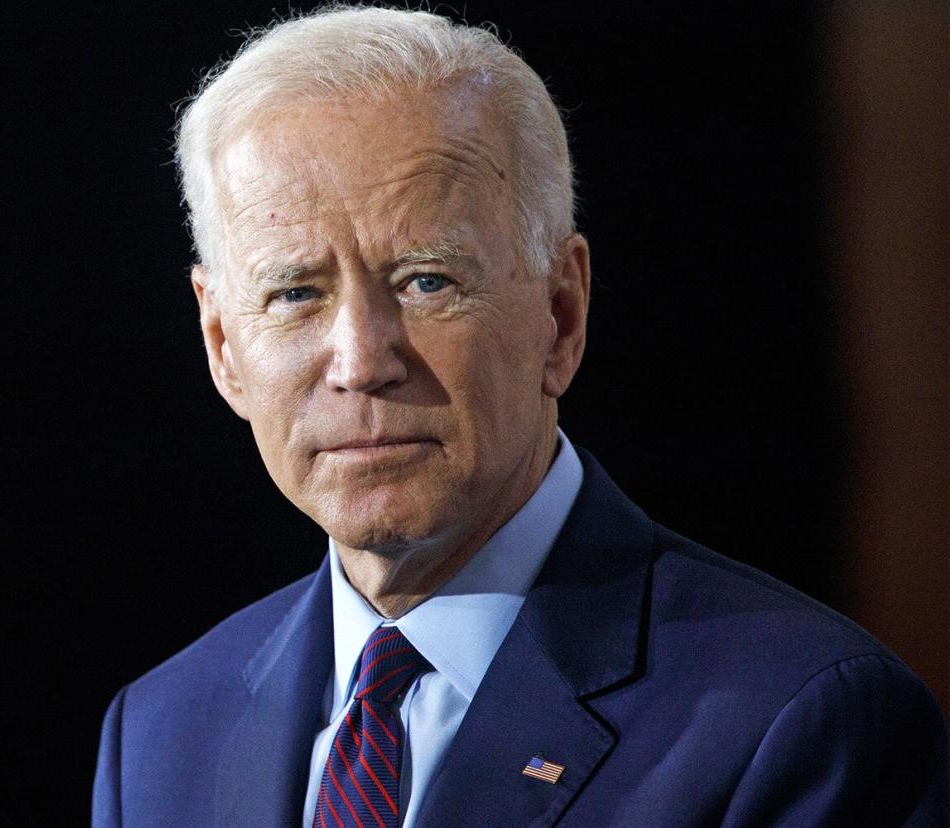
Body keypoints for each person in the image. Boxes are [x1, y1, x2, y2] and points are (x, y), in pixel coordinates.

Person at [92, 6, 947, 826]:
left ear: (561, 314)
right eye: (294, 293)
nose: (360, 363)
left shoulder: (799, 722)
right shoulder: (162, 734)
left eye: (427, 281)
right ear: (222, 346)